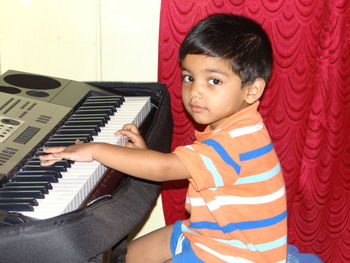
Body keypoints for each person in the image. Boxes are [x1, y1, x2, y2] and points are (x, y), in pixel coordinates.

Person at [40, 13, 287, 263]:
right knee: (129, 256)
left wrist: (96, 150)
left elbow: (165, 168)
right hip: (212, 232)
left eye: (214, 81)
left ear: (252, 90)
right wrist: (142, 156)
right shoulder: (239, 124)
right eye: (189, 78)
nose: (195, 92)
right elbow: (170, 165)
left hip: (238, 255)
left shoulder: (233, 141)